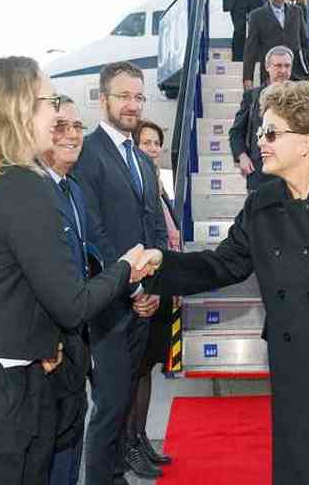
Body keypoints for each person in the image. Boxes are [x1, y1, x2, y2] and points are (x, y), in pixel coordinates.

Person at [134, 80, 309, 485]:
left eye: (270, 133)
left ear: (306, 140)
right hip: (297, 373)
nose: (260, 143)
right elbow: (222, 265)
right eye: (258, 133)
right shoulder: (262, 205)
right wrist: (159, 264)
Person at [0, 56, 146, 485]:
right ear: (18, 109)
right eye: (50, 100)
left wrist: (43, 342)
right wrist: (126, 267)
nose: (58, 112)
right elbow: (72, 304)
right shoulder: (25, 187)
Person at [73, 61, 168, 485]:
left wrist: (152, 286)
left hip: (141, 301)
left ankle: (116, 474)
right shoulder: (88, 153)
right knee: (109, 405)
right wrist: (130, 286)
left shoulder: (143, 161)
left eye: (138, 97)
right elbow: (93, 233)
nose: (132, 105)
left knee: (127, 393)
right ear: (103, 99)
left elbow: (153, 230)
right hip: (109, 305)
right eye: (123, 96)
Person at [34, 95, 93, 485]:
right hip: (44, 354)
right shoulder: (33, 194)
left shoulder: (74, 191)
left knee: (72, 440)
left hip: (75, 345)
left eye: (77, 126)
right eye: (61, 126)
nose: (71, 135)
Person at [127, 119, 178, 470]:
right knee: (134, 373)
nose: (151, 148)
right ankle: (129, 445)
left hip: (161, 294)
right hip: (140, 296)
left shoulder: (162, 193)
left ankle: (141, 439)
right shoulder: (135, 192)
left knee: (147, 371)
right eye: (145, 142)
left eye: (156, 143)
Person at [230, 45, 293, 190]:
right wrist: (242, 156)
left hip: (290, 176)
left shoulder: (301, 97)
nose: (283, 70)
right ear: (267, 67)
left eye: (287, 66)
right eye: (278, 65)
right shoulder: (252, 97)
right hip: (260, 175)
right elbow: (236, 133)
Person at [243, 0, 309, 89]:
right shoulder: (256, 16)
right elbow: (250, 49)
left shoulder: (297, 12)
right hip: (271, 76)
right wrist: (248, 78)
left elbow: (304, 42)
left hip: (296, 74)